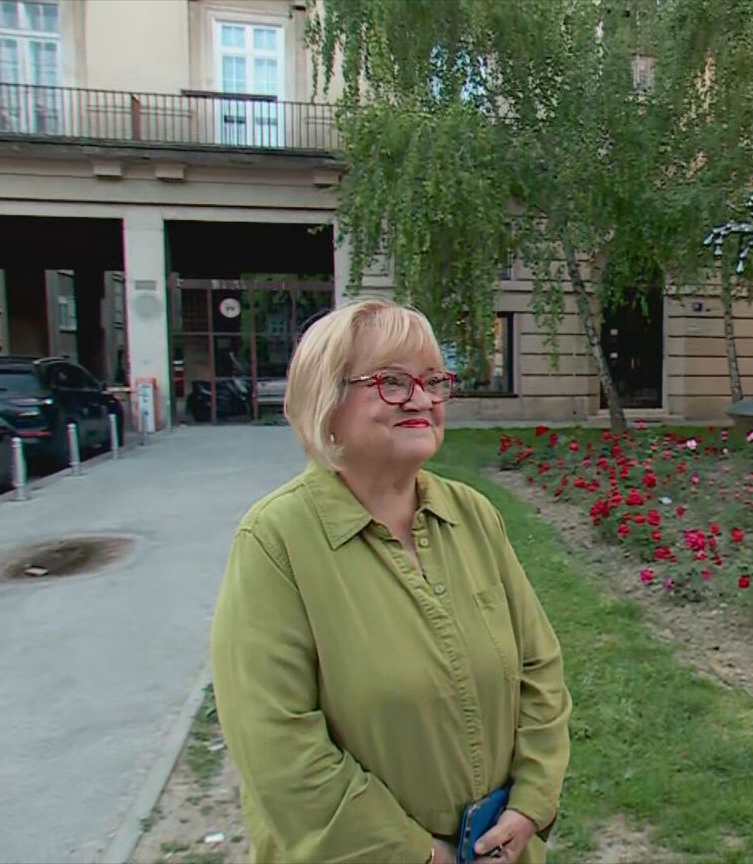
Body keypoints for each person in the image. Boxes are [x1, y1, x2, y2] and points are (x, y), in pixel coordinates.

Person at [210, 297, 571, 864]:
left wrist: (529, 804)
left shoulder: (472, 515)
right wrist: (418, 854)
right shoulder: (275, 541)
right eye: (393, 382)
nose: (423, 399)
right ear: (326, 400)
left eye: (434, 381)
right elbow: (277, 747)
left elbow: (539, 667)